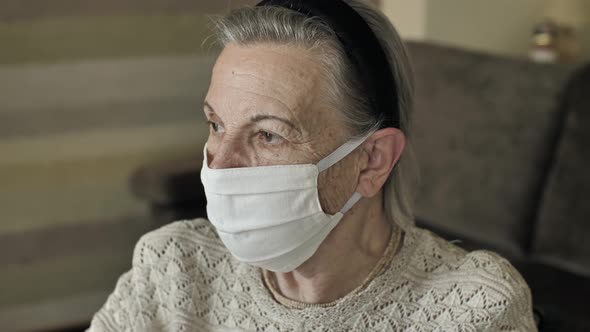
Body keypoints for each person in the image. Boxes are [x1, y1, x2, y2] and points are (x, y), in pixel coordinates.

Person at [88, 0, 537, 331]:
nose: (220, 166)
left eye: (268, 134)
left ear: (371, 161)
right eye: (216, 125)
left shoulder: (474, 310)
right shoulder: (173, 267)